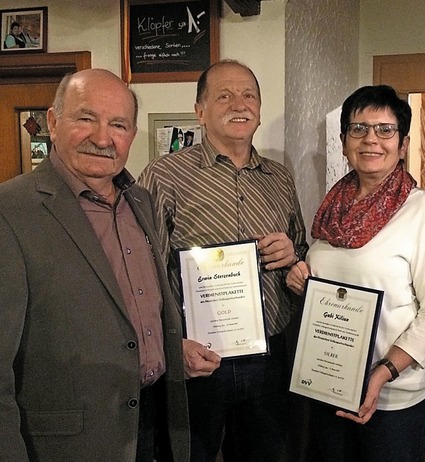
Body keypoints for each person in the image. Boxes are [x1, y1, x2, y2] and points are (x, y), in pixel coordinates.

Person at [0, 69, 190, 462]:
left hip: (155, 424)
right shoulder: (9, 211)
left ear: (132, 135)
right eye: (86, 118)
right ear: (53, 122)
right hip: (69, 445)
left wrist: (171, 348)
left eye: (118, 124)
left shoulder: (141, 201)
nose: (103, 138)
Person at [138, 59, 308, 462]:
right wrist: (171, 345)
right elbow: (144, 274)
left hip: (269, 356)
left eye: (249, 95)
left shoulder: (280, 177)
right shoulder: (164, 176)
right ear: (200, 110)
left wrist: (292, 255)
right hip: (197, 359)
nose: (240, 104)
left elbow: (301, 250)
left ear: (260, 109)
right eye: (225, 95)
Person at [286, 84, 425, 461]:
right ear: (345, 141)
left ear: (403, 144)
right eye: (358, 129)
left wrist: (382, 373)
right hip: (329, 382)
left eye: (385, 129)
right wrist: (303, 279)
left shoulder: (421, 211)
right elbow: (339, 283)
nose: (371, 140)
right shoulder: (333, 205)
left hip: (392, 397)